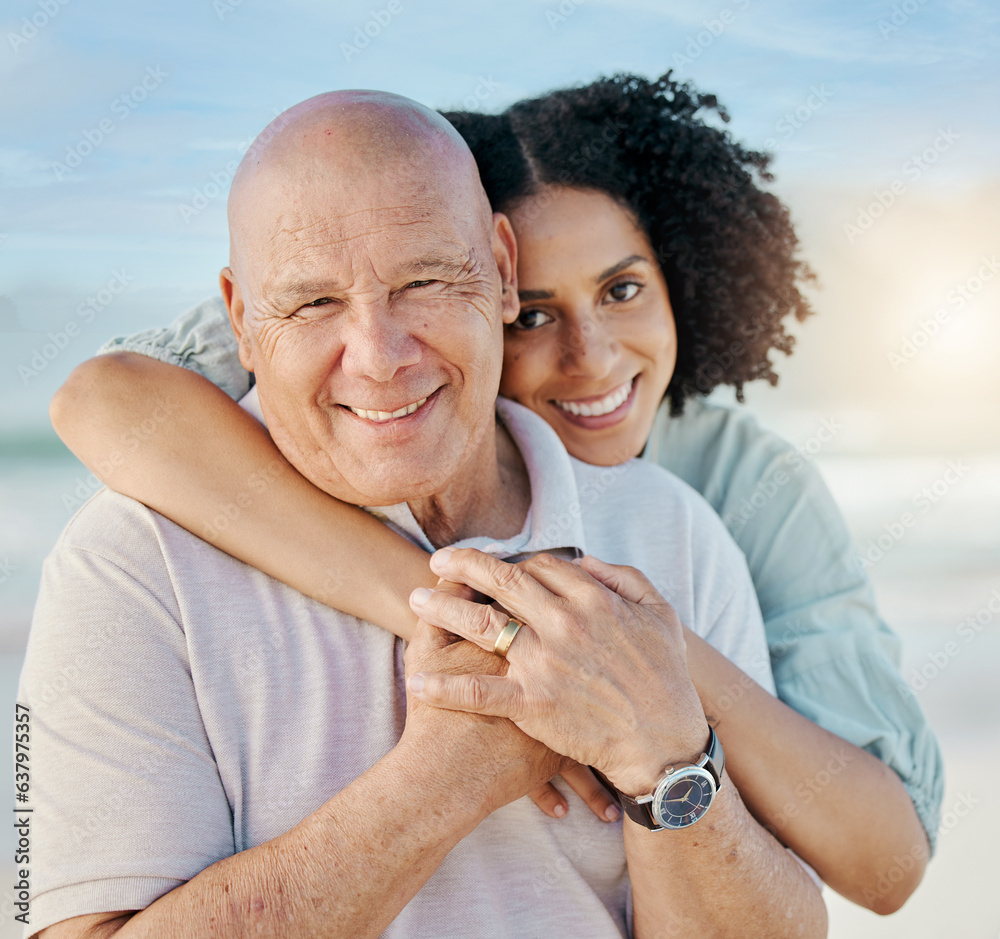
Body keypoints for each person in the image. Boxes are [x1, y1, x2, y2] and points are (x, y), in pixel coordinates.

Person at [52, 73, 940, 914]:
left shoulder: (727, 486)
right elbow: (106, 399)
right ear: (502, 286)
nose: (590, 356)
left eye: (623, 289)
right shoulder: (361, 321)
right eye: (537, 316)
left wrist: (628, 659)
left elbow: (884, 857)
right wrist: (492, 623)